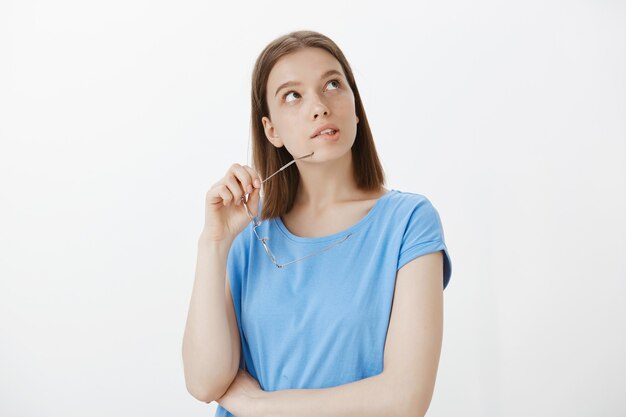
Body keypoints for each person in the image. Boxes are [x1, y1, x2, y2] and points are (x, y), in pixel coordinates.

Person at [182, 30, 453, 417]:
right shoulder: (247, 235)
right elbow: (204, 382)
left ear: (355, 107)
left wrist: (256, 405)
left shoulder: (409, 222)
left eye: (332, 84)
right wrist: (213, 242)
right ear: (271, 129)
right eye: (293, 95)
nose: (320, 106)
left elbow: (404, 400)